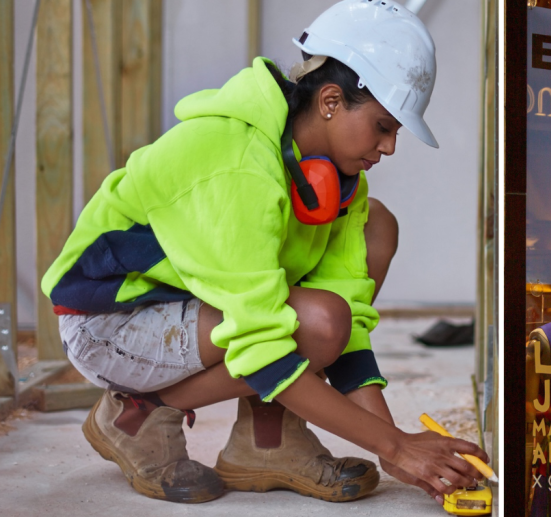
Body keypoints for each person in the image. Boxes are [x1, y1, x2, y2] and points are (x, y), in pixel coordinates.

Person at [40, 0, 486, 506]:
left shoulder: (341, 183)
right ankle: (140, 413)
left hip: (195, 314)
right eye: (383, 126)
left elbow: (347, 331)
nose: (389, 148)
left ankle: (267, 441)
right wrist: (395, 444)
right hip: (109, 322)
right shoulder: (237, 162)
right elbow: (265, 342)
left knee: (374, 232)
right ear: (332, 101)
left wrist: (395, 448)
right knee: (315, 322)